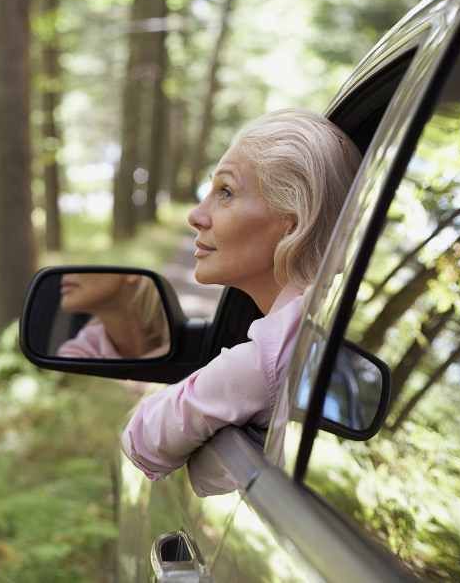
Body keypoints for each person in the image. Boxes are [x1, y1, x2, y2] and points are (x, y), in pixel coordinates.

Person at [121, 108, 361, 486]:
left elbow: (143, 442)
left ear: (292, 224)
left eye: (226, 192)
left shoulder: (272, 355)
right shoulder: (322, 323)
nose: (197, 216)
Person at [56, 273, 170, 359]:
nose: (65, 274)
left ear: (131, 274)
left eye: (81, 262)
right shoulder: (75, 351)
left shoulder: (182, 337)